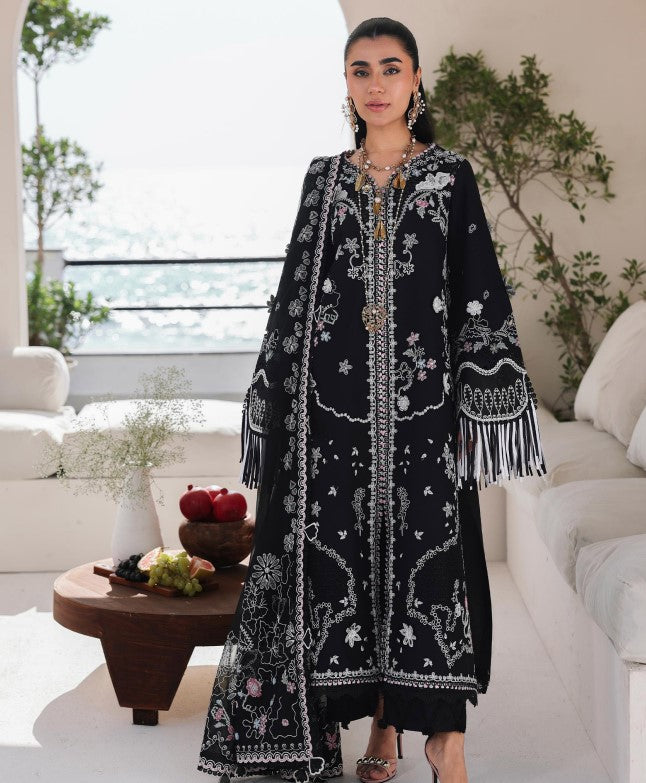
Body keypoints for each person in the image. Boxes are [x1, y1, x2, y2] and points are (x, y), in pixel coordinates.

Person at [197, 16, 547, 783]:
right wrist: (277, 402)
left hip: (426, 414)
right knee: (344, 569)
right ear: (347, 85)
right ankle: (381, 722)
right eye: (361, 70)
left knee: (430, 566)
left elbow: (478, 293)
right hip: (333, 417)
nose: (377, 84)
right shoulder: (324, 179)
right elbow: (294, 298)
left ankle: (444, 738)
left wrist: (478, 401)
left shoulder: (449, 177)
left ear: (416, 80)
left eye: (391, 68)